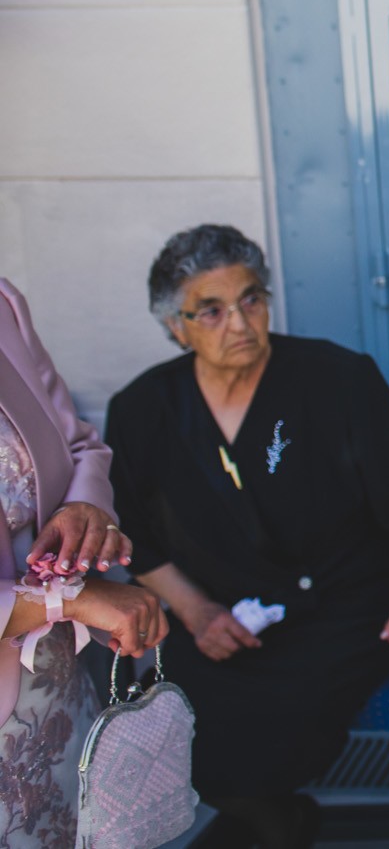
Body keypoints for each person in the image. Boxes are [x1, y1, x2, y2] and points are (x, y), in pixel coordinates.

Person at [104, 226, 389, 849]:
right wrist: (196, 610)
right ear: (175, 327)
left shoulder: (335, 378)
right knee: (159, 720)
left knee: (277, 717)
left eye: (252, 299)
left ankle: (269, 818)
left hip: (337, 608)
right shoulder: (143, 408)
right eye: (211, 310)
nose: (239, 322)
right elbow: (136, 532)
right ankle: (271, 819)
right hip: (210, 611)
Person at [0, 281, 167, 849]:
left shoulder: (3, 304)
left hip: (58, 692)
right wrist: (67, 599)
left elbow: (79, 446)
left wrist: (87, 507)